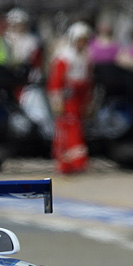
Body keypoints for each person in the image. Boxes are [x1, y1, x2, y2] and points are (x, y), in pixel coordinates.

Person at [47, 21, 92, 174]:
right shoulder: (64, 57)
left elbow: (87, 80)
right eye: (80, 40)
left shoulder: (85, 56)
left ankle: (77, 162)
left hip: (79, 99)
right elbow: (56, 81)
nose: (82, 43)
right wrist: (56, 100)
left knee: (77, 129)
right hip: (67, 99)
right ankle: (64, 163)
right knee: (66, 131)